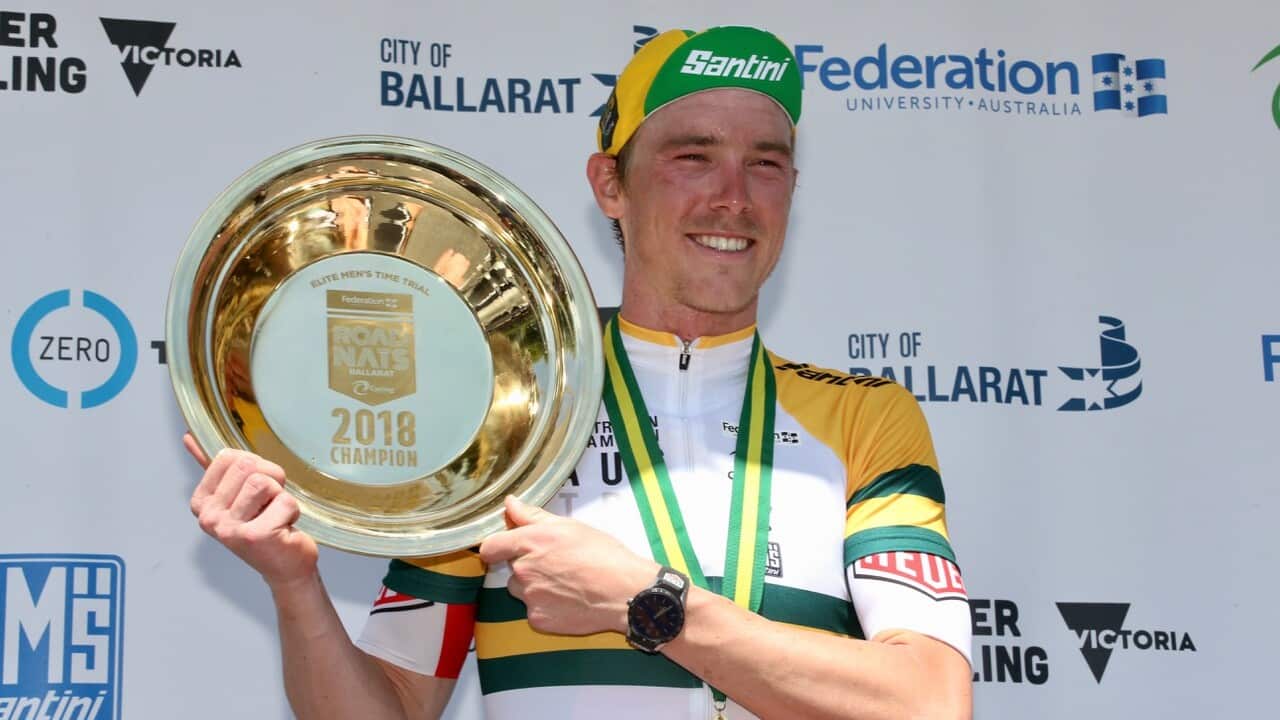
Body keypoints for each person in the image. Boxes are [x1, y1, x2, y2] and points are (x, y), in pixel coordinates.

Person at [186, 26, 973, 720]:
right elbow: (387, 711)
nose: (733, 199)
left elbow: (931, 703)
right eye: (692, 157)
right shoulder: (504, 414)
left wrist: (649, 603)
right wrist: (294, 587)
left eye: (765, 166)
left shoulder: (866, 416)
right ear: (609, 185)